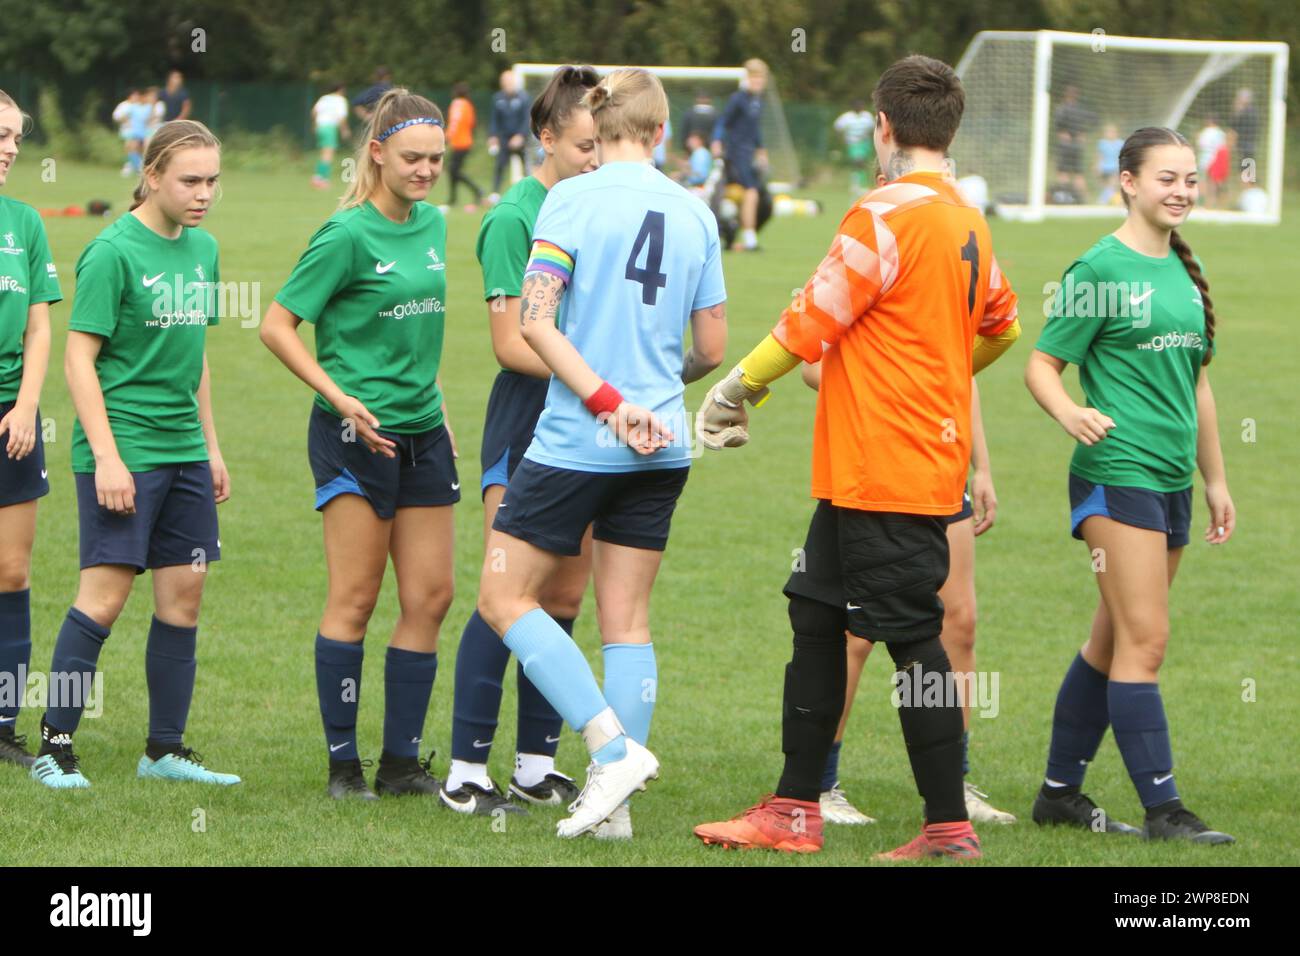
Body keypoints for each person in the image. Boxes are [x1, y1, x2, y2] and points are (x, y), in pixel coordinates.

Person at [692, 54, 1021, 859]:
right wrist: (930, 376)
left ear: (883, 128)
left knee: (912, 638)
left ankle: (946, 827)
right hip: (866, 469)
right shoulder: (967, 218)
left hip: (888, 464)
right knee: (814, 614)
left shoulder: (885, 214)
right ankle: (794, 808)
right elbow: (1003, 328)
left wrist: (735, 390)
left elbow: (808, 322)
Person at [474, 68, 727, 839]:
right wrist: (650, 400)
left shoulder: (567, 199)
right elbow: (710, 346)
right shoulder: (696, 211)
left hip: (579, 440)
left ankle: (610, 750)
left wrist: (611, 405)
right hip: (664, 443)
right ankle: (613, 806)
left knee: (502, 597)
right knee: (627, 619)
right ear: (659, 131)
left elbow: (537, 325)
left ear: (601, 124)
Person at [1026, 126, 1235, 845]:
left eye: (1189, 180)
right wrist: (1069, 412)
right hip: (1117, 478)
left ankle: (1059, 794)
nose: (1180, 191)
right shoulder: (1098, 270)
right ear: (1127, 182)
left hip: (1173, 481)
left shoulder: (1185, 266)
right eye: (1165, 178)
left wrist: (1216, 480)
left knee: (1111, 638)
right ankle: (1165, 812)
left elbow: (1199, 385)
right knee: (1146, 641)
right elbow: (1042, 365)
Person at [261, 89, 457, 801]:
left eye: (436, 158)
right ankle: (344, 768)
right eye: (412, 158)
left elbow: (416, 333)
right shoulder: (344, 235)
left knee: (432, 596)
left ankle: (400, 765)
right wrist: (341, 397)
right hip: (354, 435)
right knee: (356, 596)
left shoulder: (434, 224)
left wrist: (432, 401)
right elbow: (277, 325)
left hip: (425, 432)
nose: (427, 170)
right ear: (376, 153)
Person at [30, 119, 237, 789]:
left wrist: (211, 448)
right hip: (123, 450)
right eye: (190, 180)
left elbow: (196, 358)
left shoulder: (204, 249)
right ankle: (53, 746)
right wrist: (109, 458)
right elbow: (78, 357)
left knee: (185, 598)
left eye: (211, 180)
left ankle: (164, 752)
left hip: (182, 450)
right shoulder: (111, 251)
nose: (204, 193)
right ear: (151, 177)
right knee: (105, 598)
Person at [445, 65, 599, 820]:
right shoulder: (515, 216)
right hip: (530, 424)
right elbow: (511, 344)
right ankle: (466, 768)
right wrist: (597, 379)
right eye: (583, 146)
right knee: (503, 595)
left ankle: (536, 764)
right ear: (545, 137)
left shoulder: (597, 205)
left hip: (589, 429)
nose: (595, 160)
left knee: (565, 595)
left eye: (603, 146)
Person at [802, 363, 1017, 826]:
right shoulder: (862, 285)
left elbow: (963, 371)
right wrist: (905, 390)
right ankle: (820, 785)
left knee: (959, 625)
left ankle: (952, 783)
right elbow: (813, 366)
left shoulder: (955, 289)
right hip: (874, 469)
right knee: (855, 633)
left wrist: (981, 466)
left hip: (941, 468)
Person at [0, 90, 62, 769]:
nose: (11, 148)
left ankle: (2, 722)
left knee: (11, 571)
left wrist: (25, 404)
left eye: (15, 137)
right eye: (0, 135)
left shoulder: (24, 221)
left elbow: (42, 323)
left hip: (11, 418)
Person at [712, 59, 768, 251]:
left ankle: (742, 234)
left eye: (761, 78)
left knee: (754, 194)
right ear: (748, 78)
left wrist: (761, 150)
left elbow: (754, 129)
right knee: (750, 192)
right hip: (736, 154)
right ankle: (749, 239)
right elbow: (723, 122)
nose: (758, 82)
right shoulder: (738, 99)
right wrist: (717, 141)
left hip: (749, 154)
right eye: (755, 78)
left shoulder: (758, 101)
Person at [488, 69, 532, 200]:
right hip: (504, 138)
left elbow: (527, 119)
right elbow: (494, 120)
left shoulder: (524, 98)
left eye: (510, 81)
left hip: (520, 138)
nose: (507, 84)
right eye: (505, 82)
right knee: (500, 165)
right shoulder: (498, 99)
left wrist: (520, 136)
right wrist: (493, 136)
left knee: (526, 166)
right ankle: (495, 193)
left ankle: (530, 191)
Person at [445, 82, 484, 211]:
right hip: (467, 141)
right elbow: (472, 123)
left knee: (454, 171)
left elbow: (454, 123)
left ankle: (477, 190)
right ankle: (453, 198)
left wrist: (447, 137)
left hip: (459, 142)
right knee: (453, 171)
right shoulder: (468, 105)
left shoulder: (456, 104)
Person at [1052, 85, 1091, 203]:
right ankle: (1085, 200)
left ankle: (1063, 198)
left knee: (1063, 173)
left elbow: (1059, 127)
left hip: (1066, 144)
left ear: (1065, 95)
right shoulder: (1081, 109)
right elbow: (1084, 128)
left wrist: (1063, 134)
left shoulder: (1061, 109)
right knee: (1078, 174)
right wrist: (1081, 136)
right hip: (1077, 145)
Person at [311, 81, 350, 189]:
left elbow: (314, 111)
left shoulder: (324, 98)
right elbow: (341, 117)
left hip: (320, 127)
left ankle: (318, 177)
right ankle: (321, 179)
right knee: (328, 154)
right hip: (329, 127)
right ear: (341, 90)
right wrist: (344, 130)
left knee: (324, 153)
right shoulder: (340, 100)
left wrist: (314, 125)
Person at [833, 99, 875, 194]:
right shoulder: (847, 117)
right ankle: (857, 185)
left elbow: (873, 128)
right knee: (858, 161)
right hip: (853, 143)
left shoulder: (867, 116)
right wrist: (841, 140)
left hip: (865, 142)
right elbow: (837, 127)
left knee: (863, 164)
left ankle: (862, 184)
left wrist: (872, 139)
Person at [1195, 117, 1227, 209]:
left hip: (1205, 160)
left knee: (1202, 181)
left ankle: (1201, 203)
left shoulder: (1206, 132)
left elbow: (1201, 144)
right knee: (1214, 183)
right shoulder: (1221, 133)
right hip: (1217, 160)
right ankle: (1212, 203)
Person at [678, 90, 716, 156]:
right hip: (710, 146)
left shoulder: (689, 113)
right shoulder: (715, 114)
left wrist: (684, 147)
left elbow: (684, 131)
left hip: (693, 146)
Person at [1096, 122, 1123, 205]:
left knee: (1112, 185)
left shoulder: (1120, 143)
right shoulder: (1102, 143)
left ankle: (1104, 201)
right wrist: (1098, 167)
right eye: (1108, 132)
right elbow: (1099, 156)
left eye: (1112, 132)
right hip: (1104, 168)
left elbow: (1122, 156)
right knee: (1106, 186)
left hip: (1115, 168)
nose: (1110, 134)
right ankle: (1105, 201)